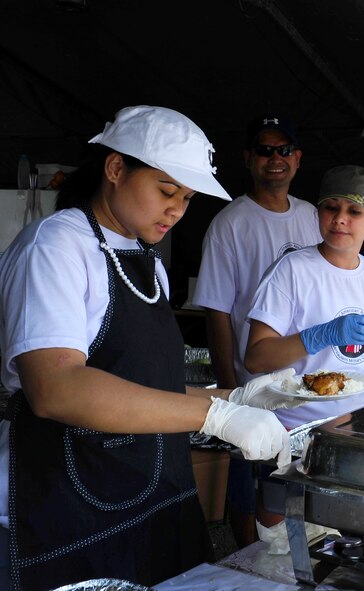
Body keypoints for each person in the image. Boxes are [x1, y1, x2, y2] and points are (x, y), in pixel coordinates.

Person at [0, 106, 304, 590]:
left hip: (155, 493)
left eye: (185, 197)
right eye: (166, 191)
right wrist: (215, 418)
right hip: (72, 501)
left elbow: (148, 387)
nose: (177, 210)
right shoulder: (56, 247)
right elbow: (55, 387)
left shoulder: (149, 265)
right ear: (116, 169)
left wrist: (233, 398)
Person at [191, 113, 321, 546]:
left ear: (298, 159)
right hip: (257, 384)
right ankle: (247, 562)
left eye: (284, 150)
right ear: (248, 159)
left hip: (311, 384)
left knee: (300, 493)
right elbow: (217, 312)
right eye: (264, 150)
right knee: (254, 487)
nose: (275, 159)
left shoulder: (312, 217)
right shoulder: (230, 223)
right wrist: (232, 393)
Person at [244, 164, 364, 428]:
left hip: (362, 423)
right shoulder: (291, 270)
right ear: (318, 211)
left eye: (354, 211)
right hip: (296, 426)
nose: (340, 219)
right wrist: (318, 336)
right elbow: (255, 359)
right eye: (331, 208)